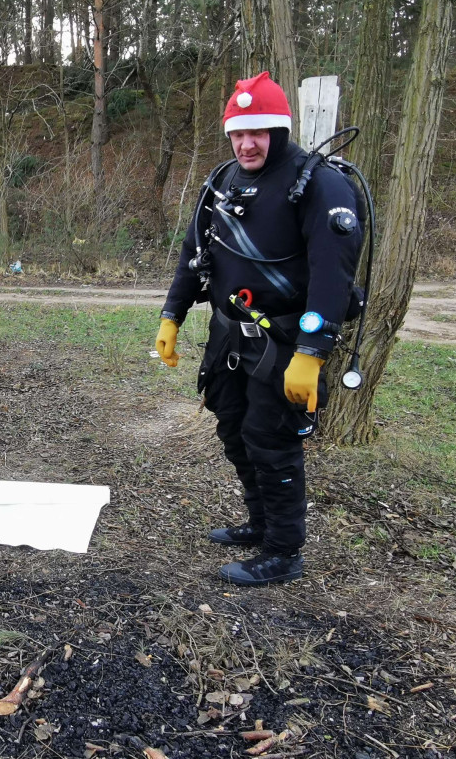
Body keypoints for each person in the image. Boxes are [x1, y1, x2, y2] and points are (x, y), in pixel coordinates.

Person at [154, 72, 363, 587]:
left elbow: (333, 275)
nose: (247, 143)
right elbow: (194, 253)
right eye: (237, 133)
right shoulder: (223, 180)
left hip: (287, 341)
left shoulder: (320, 185)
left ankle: (284, 550)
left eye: (259, 132)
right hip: (228, 336)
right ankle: (260, 523)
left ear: (282, 130)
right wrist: (172, 315)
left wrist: (312, 352)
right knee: (233, 430)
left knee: (270, 439)